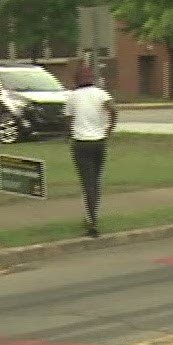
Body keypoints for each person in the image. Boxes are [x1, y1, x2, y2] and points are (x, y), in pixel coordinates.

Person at [64, 62, 118, 237]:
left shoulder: (72, 96)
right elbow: (113, 110)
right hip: (99, 142)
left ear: (77, 80)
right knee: (96, 180)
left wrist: (69, 134)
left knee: (87, 183)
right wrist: (109, 129)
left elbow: (68, 119)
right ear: (92, 79)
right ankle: (92, 216)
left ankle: (92, 220)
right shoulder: (101, 94)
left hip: (80, 143)